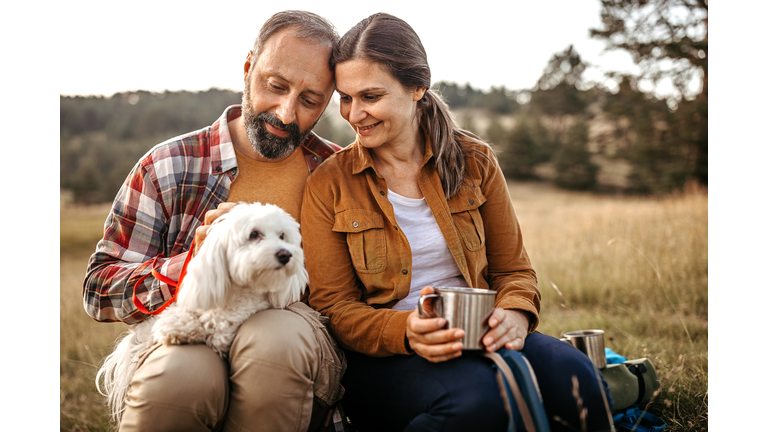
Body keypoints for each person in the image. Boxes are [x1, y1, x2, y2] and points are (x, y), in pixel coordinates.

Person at [301, 13, 614, 432]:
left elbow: (514, 271)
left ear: (417, 87)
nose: (354, 114)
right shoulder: (330, 182)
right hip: (384, 360)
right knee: (476, 401)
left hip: (479, 336)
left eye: (370, 96)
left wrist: (515, 314)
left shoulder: (474, 160)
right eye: (345, 97)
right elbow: (334, 309)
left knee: (577, 376)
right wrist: (407, 330)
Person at [83, 10, 347, 432]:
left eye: (310, 100)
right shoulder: (167, 165)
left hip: (295, 339)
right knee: (181, 377)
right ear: (248, 68)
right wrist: (188, 265)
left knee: (271, 343)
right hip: (196, 325)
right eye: (275, 86)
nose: (285, 112)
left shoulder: (340, 173)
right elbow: (99, 291)